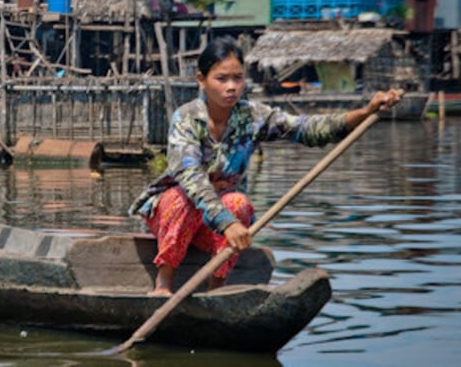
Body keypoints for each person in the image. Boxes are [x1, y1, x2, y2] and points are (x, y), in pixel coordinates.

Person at [128, 36, 403, 296]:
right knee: (181, 199)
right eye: (221, 79)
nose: (231, 87)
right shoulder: (187, 118)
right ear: (202, 80)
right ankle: (163, 283)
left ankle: (216, 288)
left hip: (216, 224)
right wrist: (226, 223)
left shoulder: (252, 116)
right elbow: (190, 176)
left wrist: (366, 112)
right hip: (174, 215)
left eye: (237, 78)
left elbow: (308, 129)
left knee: (238, 204)